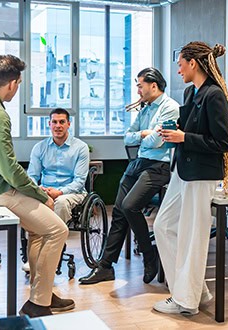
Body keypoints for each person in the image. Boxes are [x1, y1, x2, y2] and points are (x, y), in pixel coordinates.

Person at [0, 55, 74, 318]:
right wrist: (40, 195)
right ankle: (38, 304)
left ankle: (41, 294)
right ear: (11, 83)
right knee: (58, 230)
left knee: (39, 231)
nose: (17, 89)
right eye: (18, 84)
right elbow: (8, 169)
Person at [152, 42, 228, 315]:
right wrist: (175, 132)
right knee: (163, 226)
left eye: (180, 64)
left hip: (201, 175)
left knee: (193, 236)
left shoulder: (215, 95)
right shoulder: (192, 93)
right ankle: (195, 290)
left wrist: (184, 137)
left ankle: (185, 302)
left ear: (193, 63)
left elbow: (222, 142)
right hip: (183, 170)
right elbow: (190, 128)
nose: (178, 69)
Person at [79, 67, 179, 285]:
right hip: (139, 163)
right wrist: (145, 134)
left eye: (140, 85)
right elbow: (127, 138)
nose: (137, 91)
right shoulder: (145, 109)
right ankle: (105, 266)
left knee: (129, 205)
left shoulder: (170, 107)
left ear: (153, 86)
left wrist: (144, 136)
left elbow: (158, 141)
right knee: (119, 211)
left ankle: (149, 255)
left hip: (158, 166)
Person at [27, 107, 90, 223]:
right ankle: (37, 238)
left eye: (62, 122)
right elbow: (32, 175)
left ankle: (57, 239)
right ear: (49, 124)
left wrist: (60, 192)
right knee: (28, 201)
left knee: (61, 202)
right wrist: (37, 188)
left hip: (71, 192)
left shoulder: (81, 148)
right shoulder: (39, 147)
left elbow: (79, 181)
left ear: (68, 124)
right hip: (45, 190)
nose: (58, 126)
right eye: (54, 122)